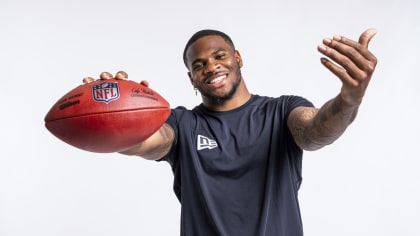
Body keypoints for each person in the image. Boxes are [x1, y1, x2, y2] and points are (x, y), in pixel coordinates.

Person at [88, 28, 377, 236]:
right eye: (199, 65)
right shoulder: (182, 124)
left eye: (219, 56)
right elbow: (142, 142)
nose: (211, 67)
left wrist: (349, 99)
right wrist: (111, 115)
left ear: (237, 57)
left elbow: (315, 133)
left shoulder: (282, 111)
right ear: (192, 78)